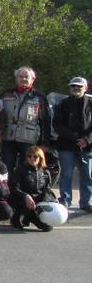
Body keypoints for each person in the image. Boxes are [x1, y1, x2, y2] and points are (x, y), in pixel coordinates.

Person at [0, 66, 51, 170]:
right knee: (6, 166)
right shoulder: (6, 94)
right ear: (16, 78)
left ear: (33, 79)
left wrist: (45, 143)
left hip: (28, 139)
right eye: (20, 76)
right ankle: (7, 186)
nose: (23, 79)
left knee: (27, 166)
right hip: (8, 138)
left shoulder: (39, 97)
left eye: (26, 76)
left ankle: (24, 186)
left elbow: (45, 121)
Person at [53, 76, 92, 211]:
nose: (76, 88)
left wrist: (87, 139)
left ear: (86, 88)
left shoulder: (91, 103)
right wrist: (75, 138)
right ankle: (65, 201)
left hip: (87, 147)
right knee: (66, 175)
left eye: (79, 86)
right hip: (66, 145)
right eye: (73, 86)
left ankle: (87, 202)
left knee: (88, 175)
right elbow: (57, 125)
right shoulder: (62, 104)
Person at [9, 146, 57, 231]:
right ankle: (16, 218)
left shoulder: (45, 172)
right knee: (25, 205)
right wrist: (26, 196)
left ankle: (29, 217)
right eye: (29, 156)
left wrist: (53, 200)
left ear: (40, 158)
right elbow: (13, 188)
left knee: (48, 228)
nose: (32, 158)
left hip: (38, 201)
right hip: (22, 199)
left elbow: (47, 190)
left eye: (35, 156)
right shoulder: (20, 170)